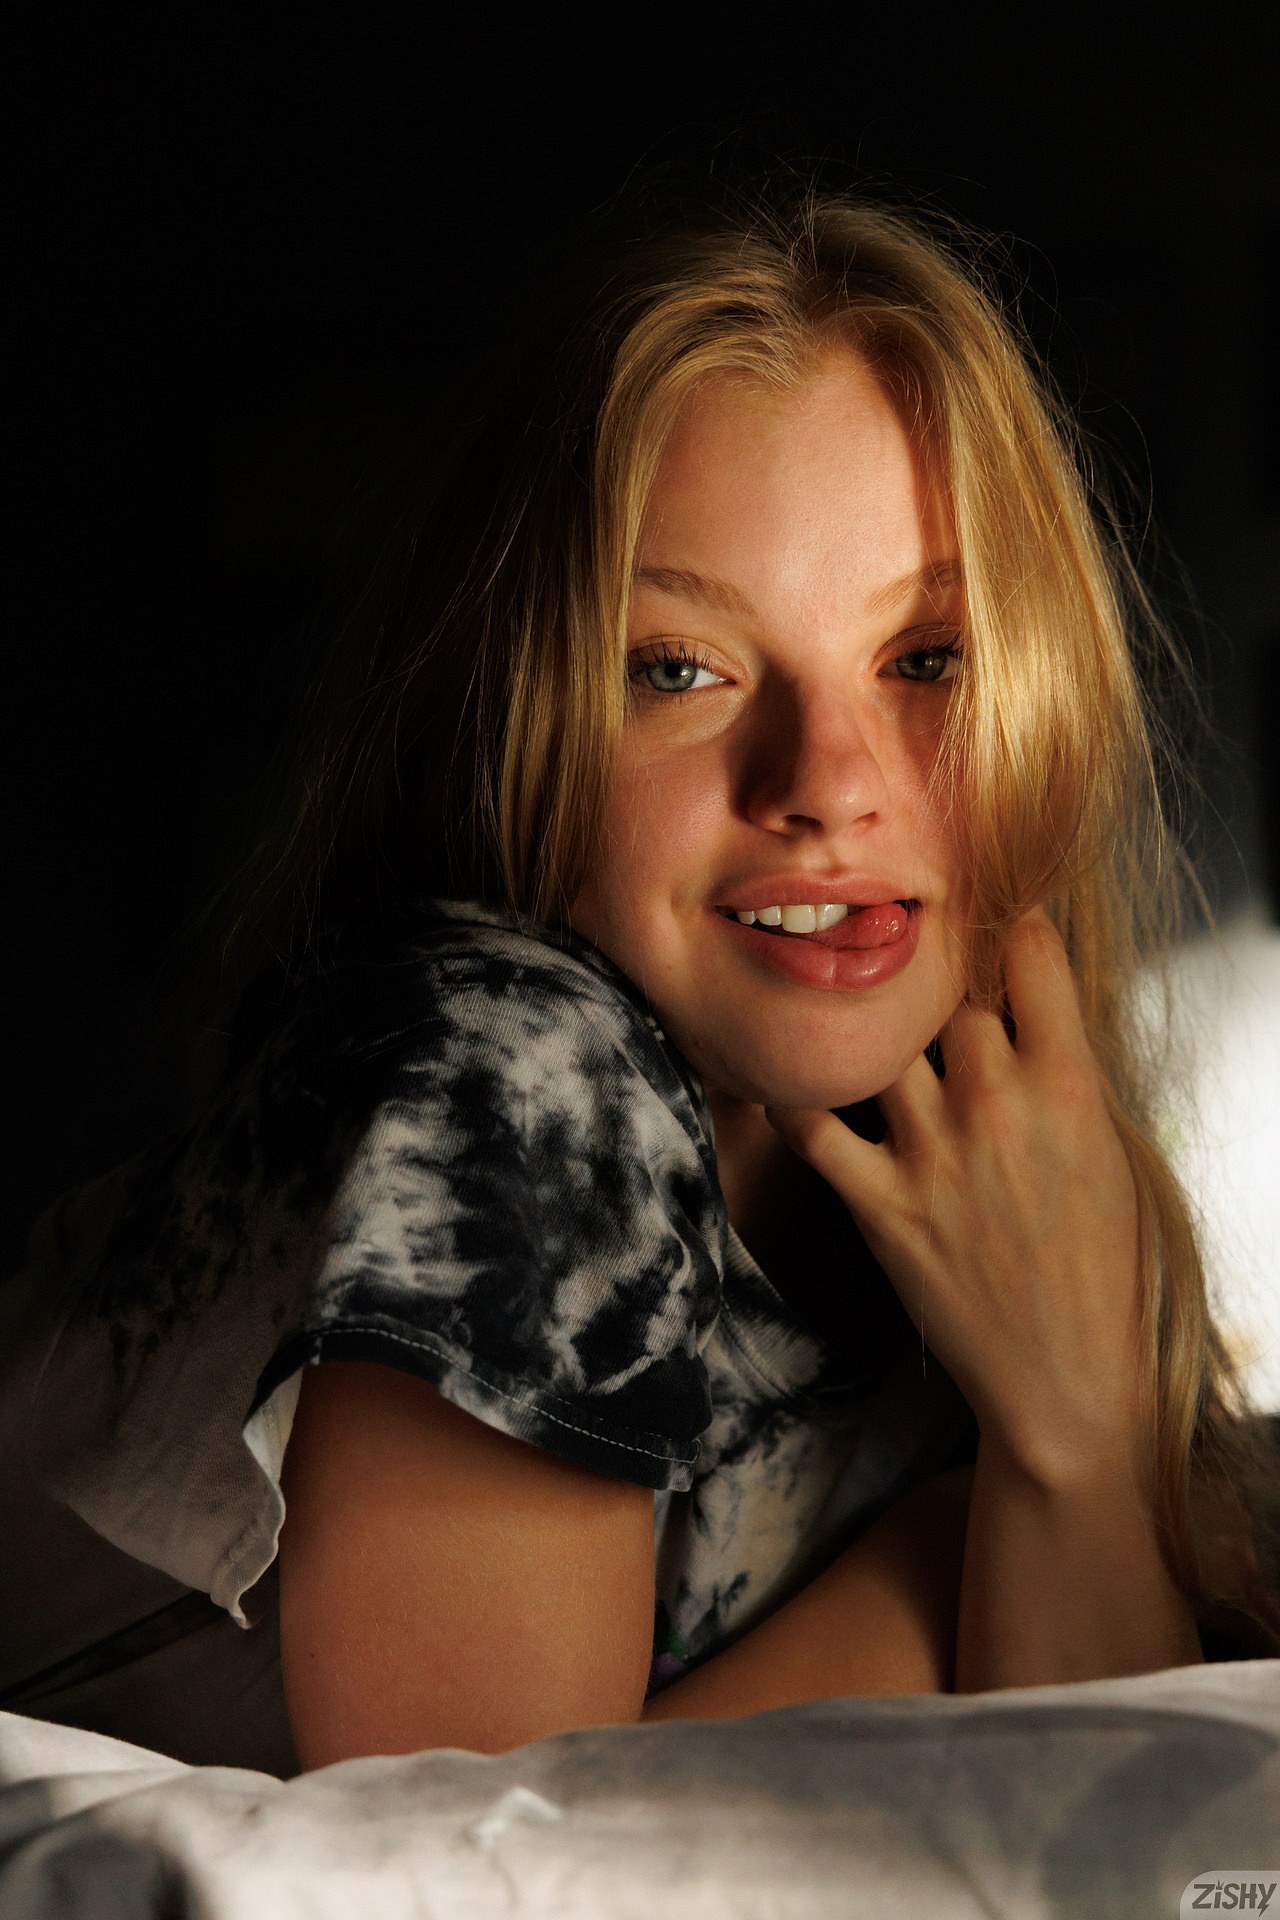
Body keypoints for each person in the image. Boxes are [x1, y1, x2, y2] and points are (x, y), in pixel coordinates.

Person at [2, 187, 1276, 1776]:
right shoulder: (514, 1068)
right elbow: (478, 1869)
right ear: (517, 715)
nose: (827, 784)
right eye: (679, 668)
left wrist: (1068, 1449)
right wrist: (944, 1579)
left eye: (925, 660)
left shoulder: (1026, 1228)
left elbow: (1127, 1863)